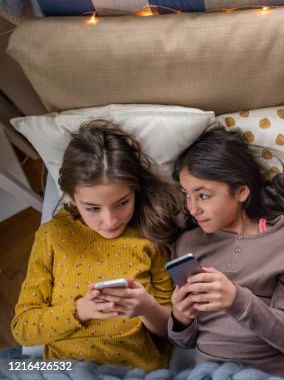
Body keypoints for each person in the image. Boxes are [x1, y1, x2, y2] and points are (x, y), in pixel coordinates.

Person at [12, 120, 180, 370]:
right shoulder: (52, 236)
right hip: (65, 370)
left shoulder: (148, 235)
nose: (110, 221)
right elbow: (23, 330)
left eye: (122, 203)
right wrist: (80, 310)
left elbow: (172, 333)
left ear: (134, 190)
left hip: (135, 371)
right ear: (72, 199)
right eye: (92, 208)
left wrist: (147, 308)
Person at [168, 126, 284, 377]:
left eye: (203, 196)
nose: (193, 209)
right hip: (207, 372)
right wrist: (180, 318)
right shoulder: (187, 244)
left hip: (267, 373)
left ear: (241, 191)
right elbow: (183, 342)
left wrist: (236, 299)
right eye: (186, 195)